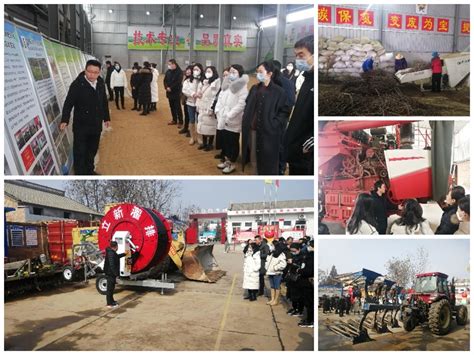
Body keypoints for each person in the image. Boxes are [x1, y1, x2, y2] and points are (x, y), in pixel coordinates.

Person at [60, 60, 110, 175]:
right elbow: (68, 103)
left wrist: (106, 117)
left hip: (96, 125)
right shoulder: (77, 84)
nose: (92, 75)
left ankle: (89, 171)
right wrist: (65, 119)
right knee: (80, 152)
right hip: (81, 126)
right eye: (90, 71)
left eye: (95, 72)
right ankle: (80, 174)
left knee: (92, 150)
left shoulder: (100, 82)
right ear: (85, 70)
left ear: (99, 72)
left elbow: (104, 101)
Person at [241, 61, 289, 175]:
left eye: (261, 72)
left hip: (269, 133)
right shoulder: (254, 88)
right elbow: (247, 104)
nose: (258, 74)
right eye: (257, 72)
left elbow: (284, 111)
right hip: (253, 130)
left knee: (267, 161)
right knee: (254, 159)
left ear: (270, 73)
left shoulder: (279, 91)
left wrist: (274, 124)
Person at [285, 35, 314, 176]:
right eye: (296, 56)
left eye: (301, 55)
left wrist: (313, 138)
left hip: (306, 154)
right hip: (296, 150)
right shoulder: (306, 80)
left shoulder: (315, 82)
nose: (298, 60)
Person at [215, 64, 249, 174]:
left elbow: (241, 105)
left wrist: (229, 115)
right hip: (223, 117)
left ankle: (232, 163)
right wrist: (218, 111)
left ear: (240, 74)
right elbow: (220, 99)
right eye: (231, 72)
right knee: (225, 141)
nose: (231, 74)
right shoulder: (227, 86)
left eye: (234, 72)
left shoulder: (242, 88)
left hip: (233, 120)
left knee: (232, 142)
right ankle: (226, 160)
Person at [196, 66, 220, 151]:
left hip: (209, 107)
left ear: (214, 72)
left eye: (209, 71)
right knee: (203, 125)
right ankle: (204, 143)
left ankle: (210, 144)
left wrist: (211, 108)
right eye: (206, 71)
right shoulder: (204, 82)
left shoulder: (216, 83)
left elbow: (215, 96)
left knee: (210, 126)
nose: (207, 73)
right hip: (202, 107)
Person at [183, 63, 203, 145]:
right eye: (194, 69)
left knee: (199, 121)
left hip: (200, 104)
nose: (195, 71)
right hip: (190, 103)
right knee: (191, 120)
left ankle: (199, 137)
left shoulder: (203, 80)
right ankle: (192, 137)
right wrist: (193, 94)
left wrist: (200, 94)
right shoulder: (188, 81)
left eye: (197, 69)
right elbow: (185, 90)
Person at [213, 67, 230, 161]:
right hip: (220, 115)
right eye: (223, 75)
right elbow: (218, 100)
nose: (225, 77)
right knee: (221, 136)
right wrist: (216, 110)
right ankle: (223, 152)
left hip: (227, 118)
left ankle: (227, 155)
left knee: (227, 137)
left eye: (227, 75)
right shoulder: (222, 88)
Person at [103, 240, 126, 308]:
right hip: (110, 274)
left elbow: (117, 257)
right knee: (110, 289)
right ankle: (109, 304)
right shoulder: (111, 253)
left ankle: (112, 301)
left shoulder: (112, 252)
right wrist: (116, 274)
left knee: (112, 288)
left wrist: (124, 254)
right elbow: (112, 265)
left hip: (111, 273)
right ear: (116, 246)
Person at [285, 243, 305, 317]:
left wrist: (293, 263)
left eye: (294, 251)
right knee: (292, 295)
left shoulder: (303, 257)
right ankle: (294, 308)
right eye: (291, 251)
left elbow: (302, 268)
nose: (293, 252)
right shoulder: (293, 256)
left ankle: (299, 310)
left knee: (298, 296)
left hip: (298, 279)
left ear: (299, 249)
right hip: (292, 278)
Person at [298, 239, 314, 328]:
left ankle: (310, 320)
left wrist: (300, 270)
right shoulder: (309, 256)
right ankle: (309, 319)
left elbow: (309, 271)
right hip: (305, 282)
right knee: (308, 303)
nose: (308, 247)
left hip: (308, 283)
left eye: (310, 245)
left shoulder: (312, 257)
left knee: (310, 303)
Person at [164, 59, 184, 126]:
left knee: (177, 107)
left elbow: (178, 82)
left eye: (170, 64)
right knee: (171, 106)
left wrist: (171, 88)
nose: (168, 66)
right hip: (169, 92)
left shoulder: (179, 72)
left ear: (174, 64)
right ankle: (174, 119)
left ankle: (180, 121)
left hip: (176, 92)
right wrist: (166, 87)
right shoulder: (168, 71)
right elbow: (165, 80)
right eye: (168, 64)